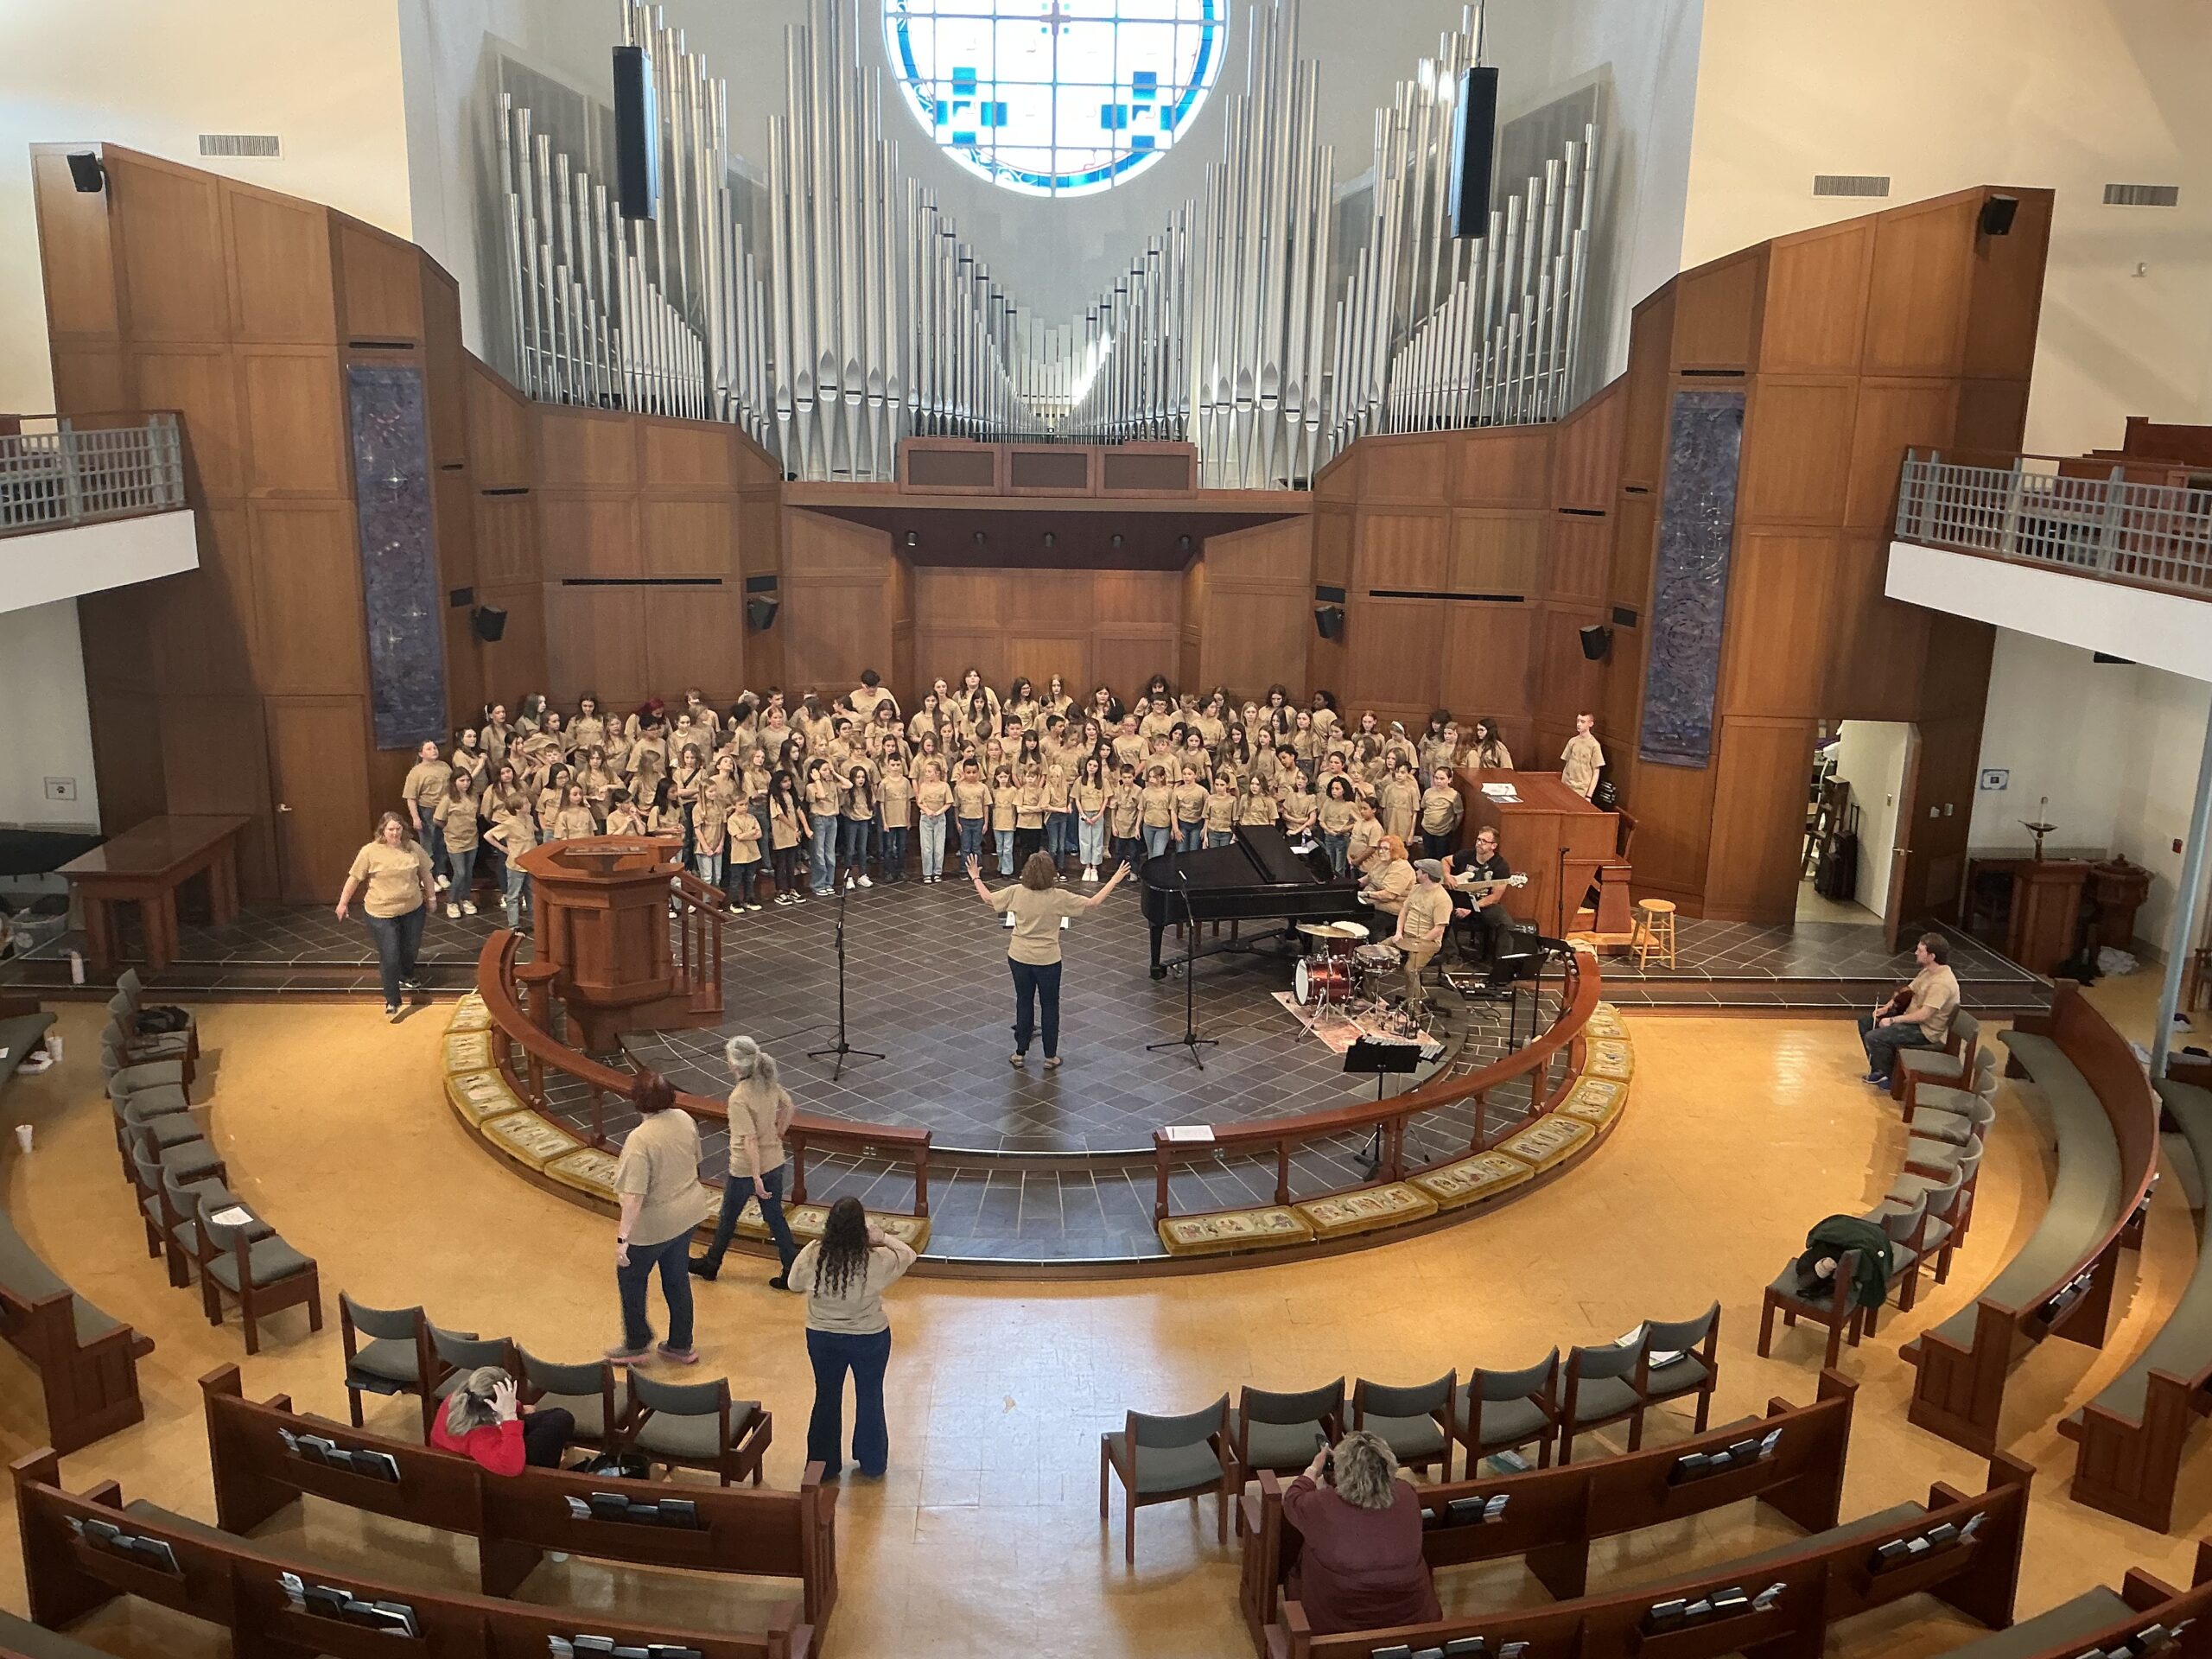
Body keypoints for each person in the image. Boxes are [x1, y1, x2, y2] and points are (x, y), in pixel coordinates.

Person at [788, 1197, 917, 1481]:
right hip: (868, 1337)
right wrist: (882, 1238)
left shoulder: (813, 1253)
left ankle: (824, 1465)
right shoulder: (875, 1259)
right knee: (870, 1396)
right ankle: (872, 1462)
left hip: (822, 1337)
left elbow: (793, 1284)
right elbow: (908, 1254)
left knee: (826, 1397)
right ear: (862, 1229)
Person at [966, 850, 1128, 1070]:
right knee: (1050, 1006)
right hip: (1048, 960)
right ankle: (1050, 1056)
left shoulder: (1016, 892)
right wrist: (1115, 879)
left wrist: (975, 877)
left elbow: (988, 899)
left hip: (1019, 957)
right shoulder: (1059, 897)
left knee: (1024, 1002)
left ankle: (1020, 1053)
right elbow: (1093, 902)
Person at [1282, 1431, 1440, 1636]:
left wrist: (1313, 1469)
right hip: (1414, 1622)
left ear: (1341, 1472)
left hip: (1337, 1630)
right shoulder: (1406, 1495)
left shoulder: (1320, 1505)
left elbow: (1292, 1499)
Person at [609, 1071, 707, 1365]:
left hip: (655, 1225)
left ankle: (637, 1343)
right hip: (688, 1213)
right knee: (676, 1279)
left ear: (636, 1100)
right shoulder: (684, 1118)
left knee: (631, 1277)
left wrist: (623, 1239)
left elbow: (633, 1196)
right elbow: (696, 1160)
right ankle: (680, 1344)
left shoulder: (640, 1140)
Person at [692, 1037, 799, 1286]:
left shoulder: (739, 1097)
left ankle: (711, 1264)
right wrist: (779, 1132)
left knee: (728, 1217)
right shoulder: (768, 1082)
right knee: (774, 1217)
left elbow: (750, 1140)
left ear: (735, 1064)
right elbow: (789, 1106)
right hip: (774, 1160)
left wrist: (756, 1177)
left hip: (746, 1169)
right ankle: (791, 1269)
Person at [336, 811, 437, 1020]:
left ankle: (406, 975)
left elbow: (426, 874)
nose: (395, 833)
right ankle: (392, 999)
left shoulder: (412, 847)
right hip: (381, 912)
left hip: (412, 908)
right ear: (382, 830)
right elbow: (354, 878)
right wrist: (343, 903)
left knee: (410, 947)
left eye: (398, 829)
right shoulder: (370, 851)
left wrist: (432, 897)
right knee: (390, 953)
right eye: (391, 829)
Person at [1859, 933, 1961, 1089]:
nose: (1915, 953)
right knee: (1866, 1023)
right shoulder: (1928, 971)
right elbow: (1909, 990)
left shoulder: (1942, 983)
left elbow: (1924, 1015)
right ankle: (1880, 1068)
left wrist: (1893, 1020)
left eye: (1920, 951)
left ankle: (1892, 1078)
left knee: (1875, 1037)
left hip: (1925, 1031)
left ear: (1932, 956)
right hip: (1911, 1019)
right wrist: (1887, 1008)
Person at [433, 1365, 573, 1474]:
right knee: (558, 1425)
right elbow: (512, 1467)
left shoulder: (460, 1399)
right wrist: (510, 1415)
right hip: (489, 1467)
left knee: (559, 1419)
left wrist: (517, 1407)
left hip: (491, 1443)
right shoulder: (480, 1438)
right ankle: (547, 1479)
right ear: (495, 1407)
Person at [1393, 861, 1454, 1012]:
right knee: (1375, 952)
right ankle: (1369, 996)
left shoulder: (1442, 899)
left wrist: (1418, 942)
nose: (1416, 872)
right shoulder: (1416, 889)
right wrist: (1399, 932)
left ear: (1426, 875)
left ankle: (1415, 1011)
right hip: (1406, 935)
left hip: (1428, 941)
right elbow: (1404, 911)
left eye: (1419, 870)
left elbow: (1439, 928)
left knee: (1410, 969)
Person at [1448, 826, 1513, 965]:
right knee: (1441, 914)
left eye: (1484, 841)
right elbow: (1445, 860)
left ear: (1493, 846)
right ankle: (1452, 956)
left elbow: (1495, 897)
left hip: (1484, 904)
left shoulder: (1500, 865)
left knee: (1506, 924)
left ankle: (1502, 964)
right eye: (1478, 839)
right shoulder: (1466, 855)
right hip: (1461, 899)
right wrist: (1448, 876)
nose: (1479, 843)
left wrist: (1472, 907)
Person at [403, 738, 454, 893]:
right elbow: (411, 797)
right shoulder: (416, 772)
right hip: (427, 810)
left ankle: (441, 872)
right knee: (428, 845)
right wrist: (416, 818)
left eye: (435, 748)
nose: (434, 751)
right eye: (429, 749)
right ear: (421, 753)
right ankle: (428, 876)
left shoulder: (445, 766)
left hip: (445, 809)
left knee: (443, 843)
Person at [1416, 766, 1464, 861]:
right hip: (1427, 830)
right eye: (1436, 778)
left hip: (1443, 833)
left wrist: (1453, 827)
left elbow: (1459, 814)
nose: (1438, 781)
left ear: (1449, 780)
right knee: (1428, 857)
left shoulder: (1454, 795)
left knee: (1441, 858)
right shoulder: (1428, 792)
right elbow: (1424, 807)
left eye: (1442, 779)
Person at [1560, 710, 1605, 800]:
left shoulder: (1594, 745)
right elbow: (1567, 764)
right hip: (1567, 785)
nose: (1579, 724)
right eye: (1578, 721)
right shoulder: (1572, 741)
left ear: (1590, 724)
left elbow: (1596, 772)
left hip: (1581, 790)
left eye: (1583, 722)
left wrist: (1589, 795)